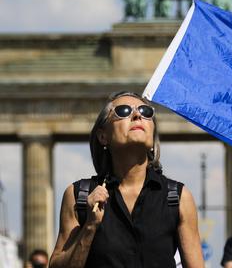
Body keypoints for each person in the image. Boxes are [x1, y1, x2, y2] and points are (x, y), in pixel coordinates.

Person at [49, 91, 204, 267]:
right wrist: (90, 227)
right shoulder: (80, 195)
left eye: (146, 112)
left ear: (153, 135)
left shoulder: (177, 197)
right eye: (123, 111)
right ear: (103, 136)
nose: (137, 115)